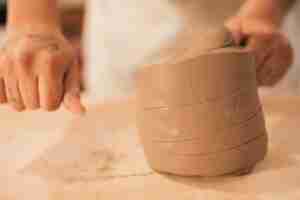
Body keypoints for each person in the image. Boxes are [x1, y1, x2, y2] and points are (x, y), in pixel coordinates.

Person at [0, 0, 295, 113]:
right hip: (133, 23)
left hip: (255, 26)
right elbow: (31, 19)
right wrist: (32, 21)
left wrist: (265, 13)